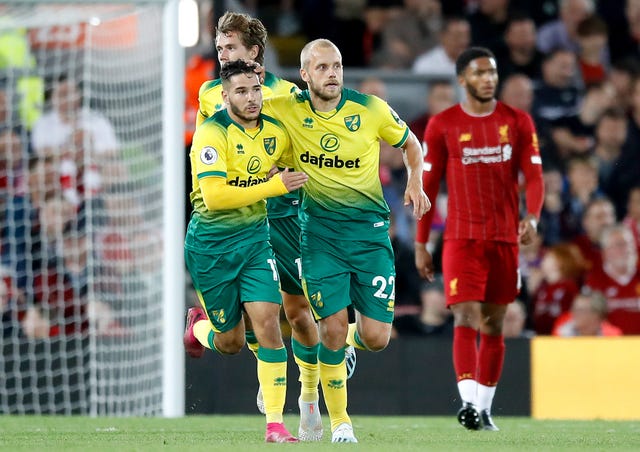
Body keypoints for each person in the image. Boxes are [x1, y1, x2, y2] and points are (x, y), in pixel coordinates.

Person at [190, 11, 360, 441]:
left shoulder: (288, 94)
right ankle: (286, 384)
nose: (223, 55)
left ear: (255, 54)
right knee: (261, 320)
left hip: (288, 213)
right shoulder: (214, 94)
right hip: (246, 214)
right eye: (220, 48)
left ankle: (307, 399)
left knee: (299, 313)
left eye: (231, 48)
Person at [263, 38, 430, 443]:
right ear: (304, 75)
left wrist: (415, 180)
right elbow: (244, 107)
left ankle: (346, 344)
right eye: (321, 67)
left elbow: (410, 143)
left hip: (370, 236)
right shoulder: (285, 110)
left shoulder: (369, 109)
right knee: (332, 328)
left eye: (336, 65)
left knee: (376, 338)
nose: (332, 73)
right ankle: (340, 422)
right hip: (317, 237)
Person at [414, 47, 544, 431]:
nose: (489, 79)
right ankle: (469, 404)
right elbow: (428, 183)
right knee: (465, 317)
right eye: (480, 72)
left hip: (504, 238)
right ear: (462, 79)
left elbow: (534, 177)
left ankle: (484, 409)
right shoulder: (442, 125)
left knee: (493, 324)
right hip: (461, 238)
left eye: (492, 72)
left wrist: (532, 217)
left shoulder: (517, 122)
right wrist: (423, 243)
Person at [182, 60, 306, 443]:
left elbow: (298, 162)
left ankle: (275, 425)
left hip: (255, 241)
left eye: (255, 90)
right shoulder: (210, 134)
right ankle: (197, 327)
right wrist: (274, 187)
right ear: (224, 96)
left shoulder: (274, 132)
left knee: (269, 322)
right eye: (241, 91)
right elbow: (216, 198)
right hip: (212, 248)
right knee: (231, 342)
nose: (251, 98)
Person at [552, 290, 623, 336]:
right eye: (574, 309)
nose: (574, 313)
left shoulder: (612, 336)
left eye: (580, 310)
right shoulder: (562, 334)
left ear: (596, 314)